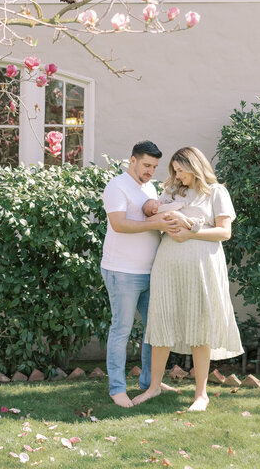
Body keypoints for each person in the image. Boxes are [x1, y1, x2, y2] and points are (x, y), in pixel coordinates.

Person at [133, 146, 242, 412]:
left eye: (181, 170)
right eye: (175, 171)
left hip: (203, 266)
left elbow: (224, 232)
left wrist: (191, 232)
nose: (177, 176)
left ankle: (201, 394)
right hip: (168, 265)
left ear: (194, 166)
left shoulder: (217, 192)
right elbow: (156, 216)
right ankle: (154, 387)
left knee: (199, 325)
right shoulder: (172, 192)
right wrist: (172, 217)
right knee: (162, 323)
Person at [100, 140, 191, 408]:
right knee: (122, 329)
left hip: (151, 271)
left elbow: (152, 224)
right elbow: (118, 224)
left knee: (154, 331)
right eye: (147, 165)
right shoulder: (117, 186)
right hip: (122, 270)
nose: (151, 170)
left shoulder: (149, 188)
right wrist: (156, 221)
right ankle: (117, 389)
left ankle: (150, 382)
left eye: (155, 166)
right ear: (133, 160)